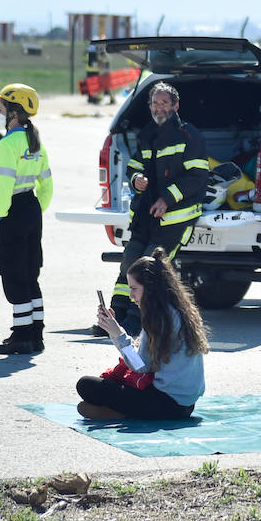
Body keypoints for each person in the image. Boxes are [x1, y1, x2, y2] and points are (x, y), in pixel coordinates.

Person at [103, 83, 208, 334]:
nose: (158, 108)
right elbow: (134, 166)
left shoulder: (189, 136)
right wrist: (137, 179)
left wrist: (166, 199)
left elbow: (196, 177)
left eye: (164, 103)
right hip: (146, 216)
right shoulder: (147, 134)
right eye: (154, 103)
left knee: (150, 267)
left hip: (175, 217)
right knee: (130, 262)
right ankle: (115, 317)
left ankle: (137, 321)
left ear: (175, 106)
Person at [79, 247, 209, 420]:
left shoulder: (159, 318)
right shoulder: (178, 309)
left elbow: (141, 366)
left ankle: (124, 414)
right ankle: (124, 411)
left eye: (134, 288)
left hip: (165, 403)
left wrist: (116, 333)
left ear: (150, 287)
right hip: (187, 404)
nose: (131, 295)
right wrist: (116, 328)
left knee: (85, 385)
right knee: (97, 393)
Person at [0, 84, 54, 355]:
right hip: (31, 208)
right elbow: (47, 184)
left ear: (13, 113)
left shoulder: (8, 143)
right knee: (30, 274)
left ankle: (20, 338)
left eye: (0, 108)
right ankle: (35, 334)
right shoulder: (34, 140)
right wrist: (36, 209)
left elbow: (3, 186)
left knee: (13, 275)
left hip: (13, 210)